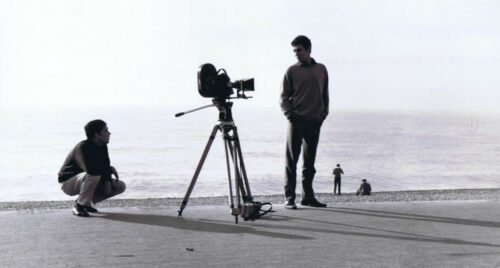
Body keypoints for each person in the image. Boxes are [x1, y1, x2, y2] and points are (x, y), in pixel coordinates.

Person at [280, 35, 329, 209]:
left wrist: (323, 115)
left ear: (308, 49)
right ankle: (289, 198)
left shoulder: (321, 69)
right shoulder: (291, 71)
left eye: (299, 50)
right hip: (296, 121)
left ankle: (307, 197)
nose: (296, 54)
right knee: (291, 161)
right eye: (294, 51)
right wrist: (290, 115)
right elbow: (284, 97)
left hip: (314, 122)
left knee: (309, 163)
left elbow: (325, 94)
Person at [58, 119, 126, 216]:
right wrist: (109, 169)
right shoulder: (83, 147)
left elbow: (105, 165)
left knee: (119, 186)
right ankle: (79, 206)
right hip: (67, 183)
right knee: (94, 175)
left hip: (87, 179)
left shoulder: (102, 146)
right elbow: (91, 170)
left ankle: (86, 203)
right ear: (96, 135)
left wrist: (107, 180)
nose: (109, 133)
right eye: (105, 131)